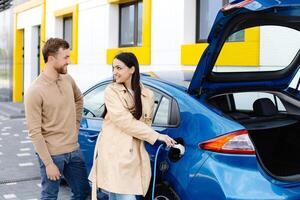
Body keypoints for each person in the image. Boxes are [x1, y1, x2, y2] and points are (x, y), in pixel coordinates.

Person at [89, 52, 176, 200]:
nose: (114, 72)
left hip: (135, 155)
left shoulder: (147, 94)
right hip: (115, 154)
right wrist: (156, 136)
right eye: (113, 68)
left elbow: (146, 124)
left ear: (132, 69)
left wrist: (157, 136)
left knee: (118, 196)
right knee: (124, 196)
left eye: (119, 68)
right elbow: (125, 121)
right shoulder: (111, 91)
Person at [25, 38, 90, 199]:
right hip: (53, 155)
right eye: (65, 57)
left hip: (74, 151)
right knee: (50, 196)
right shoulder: (35, 91)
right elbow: (34, 132)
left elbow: (79, 99)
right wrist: (48, 163)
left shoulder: (68, 79)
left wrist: (75, 127)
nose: (69, 61)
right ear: (51, 59)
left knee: (82, 192)